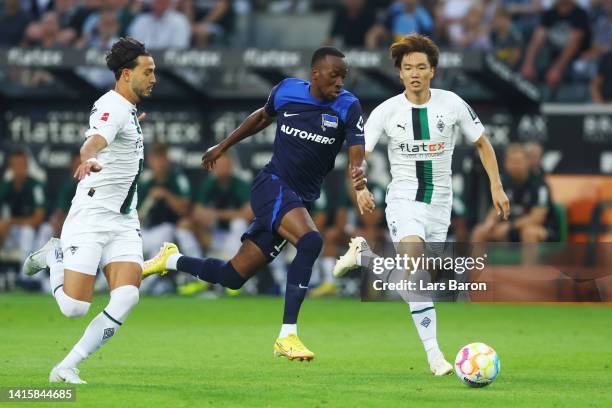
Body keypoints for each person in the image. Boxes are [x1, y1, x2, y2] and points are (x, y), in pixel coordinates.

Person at [142, 47, 368, 361]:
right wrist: (222, 146)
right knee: (311, 240)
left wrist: (359, 177)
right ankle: (287, 335)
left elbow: (357, 149)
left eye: (344, 76)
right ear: (315, 74)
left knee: (233, 277)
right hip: (272, 185)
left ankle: (171, 260)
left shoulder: (348, 105)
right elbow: (261, 117)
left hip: (298, 199)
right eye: (334, 75)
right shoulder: (288, 90)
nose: (340, 82)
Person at [333, 34, 509, 375]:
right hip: (404, 200)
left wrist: (497, 187)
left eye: (421, 67)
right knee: (414, 268)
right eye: (408, 67)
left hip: (439, 205)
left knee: (421, 280)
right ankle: (435, 356)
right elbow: (359, 155)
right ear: (400, 73)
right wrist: (360, 187)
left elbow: (483, 145)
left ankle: (364, 255)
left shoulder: (452, 104)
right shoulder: (387, 111)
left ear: (433, 72)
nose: (415, 73)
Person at [22, 37, 156, 384]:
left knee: (127, 295)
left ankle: (67, 366)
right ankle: (54, 255)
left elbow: (115, 135)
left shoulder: (126, 109)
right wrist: (90, 159)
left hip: (125, 220)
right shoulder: (112, 107)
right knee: (74, 308)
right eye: (148, 71)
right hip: (92, 216)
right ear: (127, 74)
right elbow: (92, 142)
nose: (154, 77)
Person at [471, 143, 558, 243]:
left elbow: (537, 218)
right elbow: (496, 210)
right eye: (512, 161)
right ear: (506, 163)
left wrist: (510, 226)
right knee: (479, 231)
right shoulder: (502, 182)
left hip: (541, 229)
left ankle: (529, 259)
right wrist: (490, 222)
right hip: (510, 228)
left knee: (529, 233)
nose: (515, 165)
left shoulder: (540, 185)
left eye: (518, 161)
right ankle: (478, 259)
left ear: (527, 162)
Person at [0, 148, 46, 276]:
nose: (19, 169)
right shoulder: (6, 186)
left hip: (35, 232)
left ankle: (24, 275)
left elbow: (38, 219)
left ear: (27, 166)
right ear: (11, 167)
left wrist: (10, 222)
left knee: (27, 231)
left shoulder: (36, 186)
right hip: (14, 232)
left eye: (22, 165)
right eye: (16, 165)